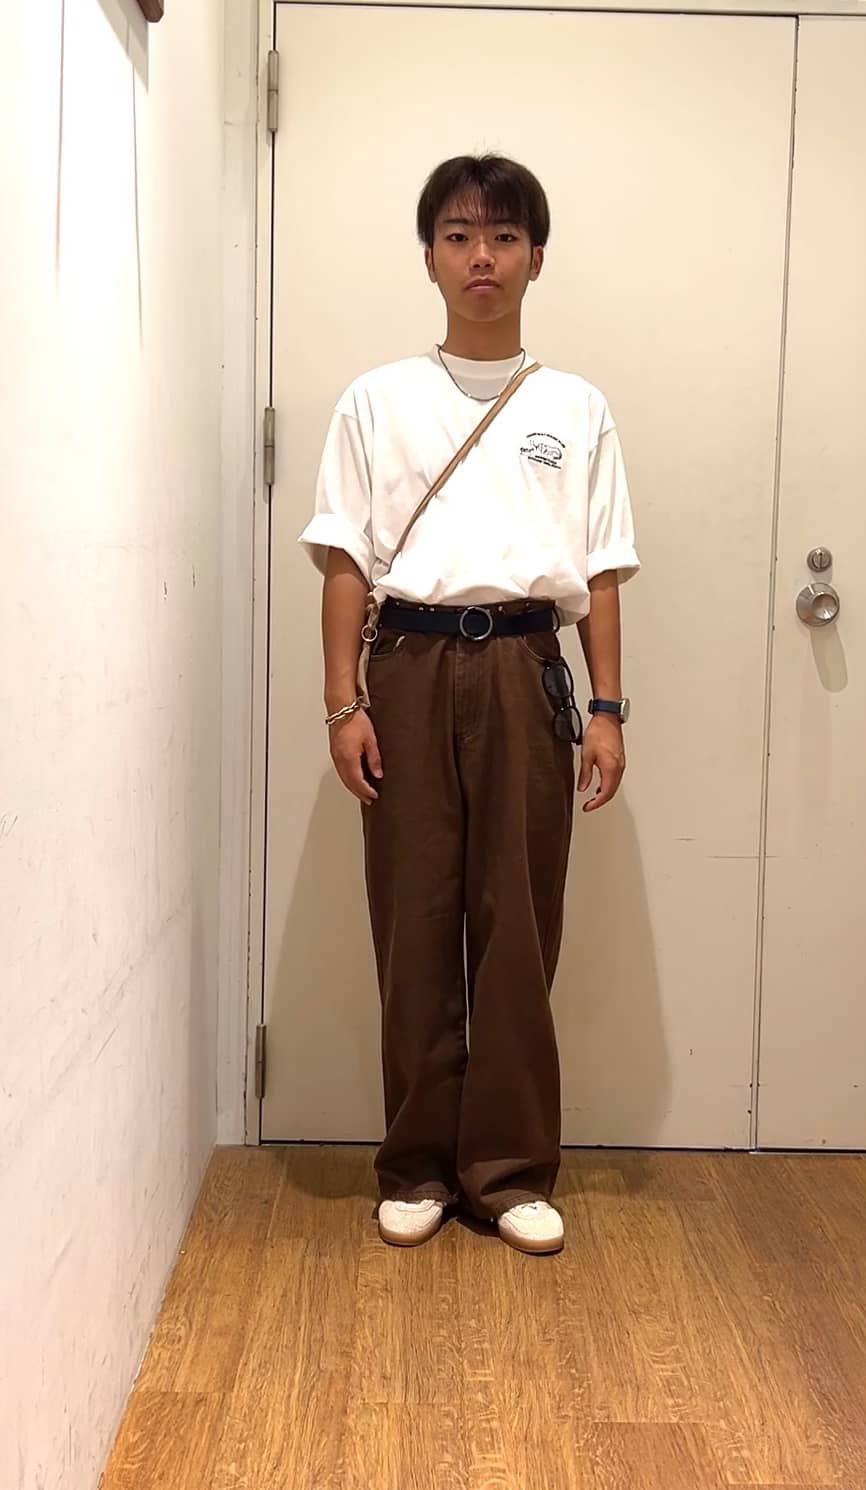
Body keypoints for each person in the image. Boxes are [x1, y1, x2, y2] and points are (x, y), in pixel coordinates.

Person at [298, 154, 640, 1255]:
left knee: (517, 924)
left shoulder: (575, 407)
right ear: (430, 258)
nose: (479, 257)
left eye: (501, 237)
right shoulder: (376, 399)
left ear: (537, 258)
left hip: (527, 670)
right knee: (412, 920)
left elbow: (601, 570)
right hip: (406, 665)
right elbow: (345, 559)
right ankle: (414, 1164)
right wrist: (341, 702)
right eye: (457, 236)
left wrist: (608, 707)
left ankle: (509, 1168)